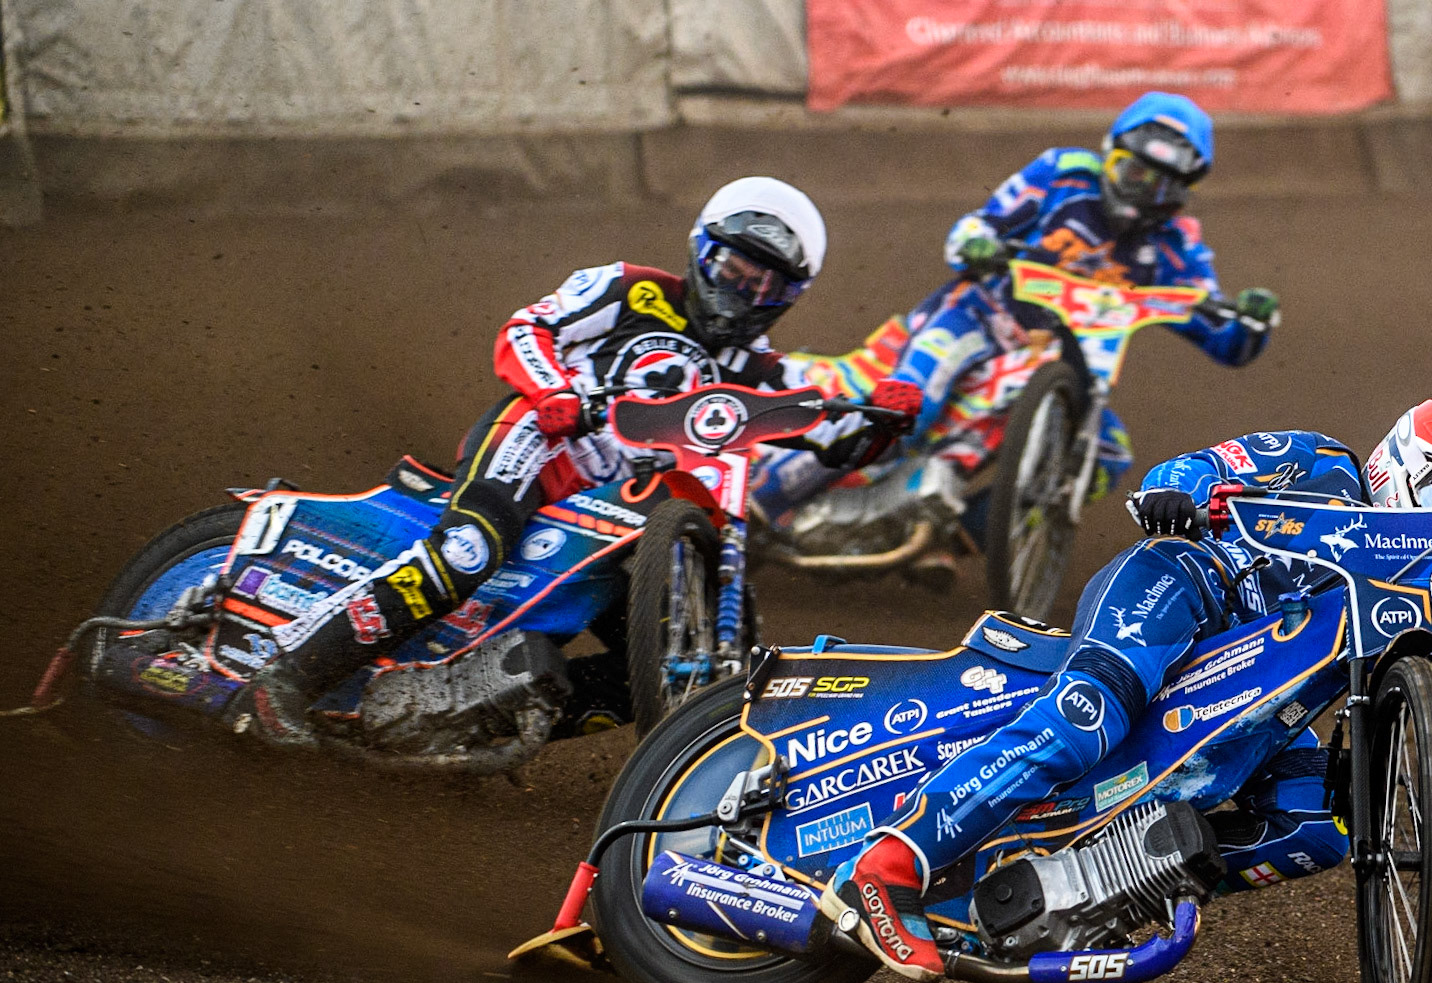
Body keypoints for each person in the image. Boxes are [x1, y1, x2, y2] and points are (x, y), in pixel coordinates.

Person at [823, 394, 1432, 982]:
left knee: (1320, 824)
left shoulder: (1402, 588)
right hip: (1186, 591)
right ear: (1407, 468)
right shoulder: (1320, 461)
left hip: (1262, 711)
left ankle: (1087, 890)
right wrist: (1178, 496)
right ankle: (888, 868)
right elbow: (1200, 468)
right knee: (1086, 715)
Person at [235, 176, 923, 746]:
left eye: (764, 286)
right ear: (699, 252)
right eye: (730, 270)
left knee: (639, 673)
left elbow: (823, 439)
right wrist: (555, 392)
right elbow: (526, 328)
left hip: (609, 513)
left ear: (789, 296)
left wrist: (881, 422)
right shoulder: (630, 291)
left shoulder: (756, 369)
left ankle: (478, 723)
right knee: (469, 550)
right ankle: (283, 680)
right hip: (538, 443)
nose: (741, 292)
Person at [749, 91, 1280, 571]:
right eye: (1135, 172)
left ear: (1183, 192)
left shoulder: (1176, 243)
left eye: (1164, 186)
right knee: (911, 407)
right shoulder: (1064, 173)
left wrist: (1250, 323)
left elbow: (1221, 333)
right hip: (977, 318)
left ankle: (956, 534)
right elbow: (976, 226)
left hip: (1061, 363)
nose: (1144, 193)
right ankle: (761, 502)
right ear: (1110, 152)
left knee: (1108, 453)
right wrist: (978, 245)